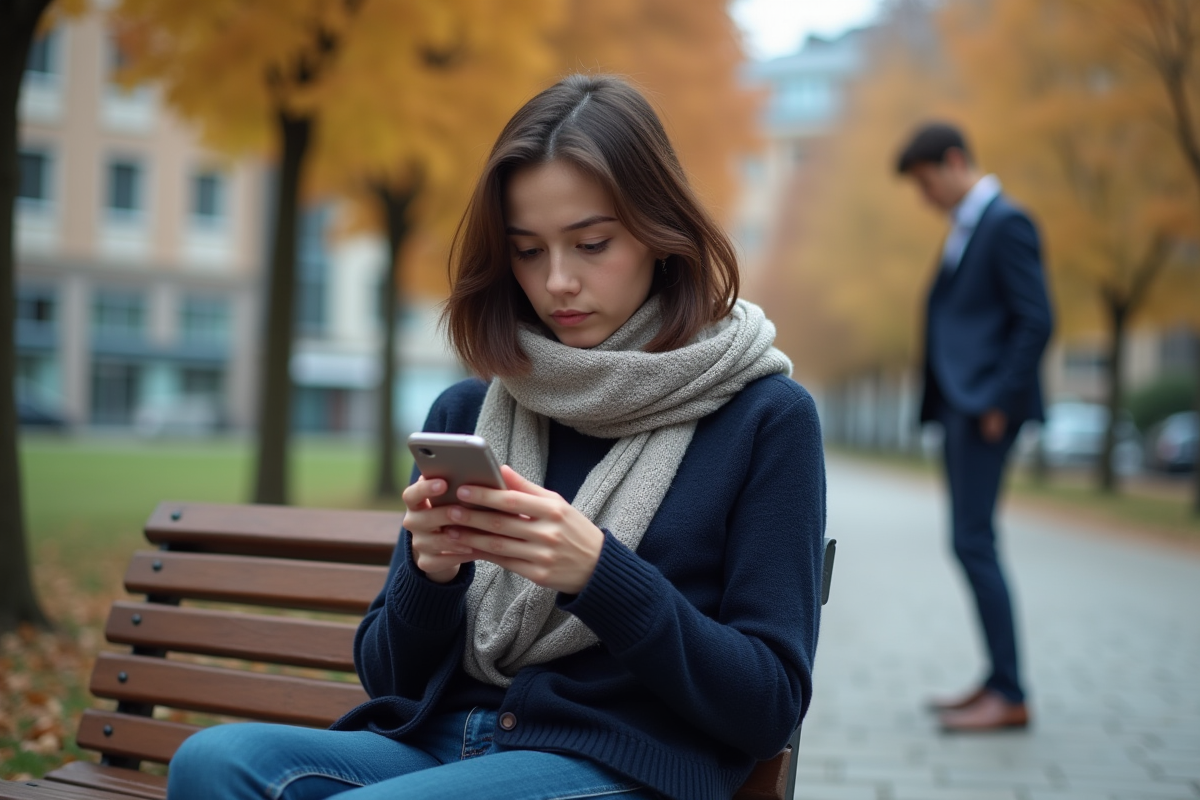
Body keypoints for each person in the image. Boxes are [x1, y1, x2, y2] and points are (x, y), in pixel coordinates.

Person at [166, 74, 826, 800]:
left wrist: (598, 575)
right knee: (211, 763)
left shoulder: (765, 418)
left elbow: (767, 704)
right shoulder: (472, 410)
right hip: (446, 743)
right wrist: (431, 574)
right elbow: (390, 681)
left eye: (591, 243)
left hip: (619, 763)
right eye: (528, 251)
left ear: (659, 235)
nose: (558, 282)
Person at [896, 122, 1053, 732]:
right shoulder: (967, 230)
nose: (925, 196)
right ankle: (996, 680)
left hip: (985, 410)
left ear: (955, 161)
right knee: (970, 540)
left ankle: (1010, 692)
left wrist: (997, 400)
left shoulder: (1006, 222)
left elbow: (1035, 319)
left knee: (974, 541)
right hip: (963, 407)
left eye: (926, 181)